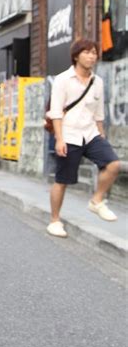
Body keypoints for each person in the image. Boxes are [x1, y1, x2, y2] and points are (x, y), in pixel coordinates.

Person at [47, 38, 121, 238]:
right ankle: (55, 220)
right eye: (87, 52)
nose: (91, 56)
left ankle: (96, 200)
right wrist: (59, 139)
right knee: (62, 180)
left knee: (113, 164)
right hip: (68, 135)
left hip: (91, 134)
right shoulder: (63, 80)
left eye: (94, 53)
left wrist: (102, 136)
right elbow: (56, 112)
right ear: (76, 56)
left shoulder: (98, 82)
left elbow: (98, 113)